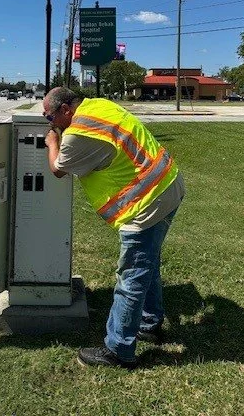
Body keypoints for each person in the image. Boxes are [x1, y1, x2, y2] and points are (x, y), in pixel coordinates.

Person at [43, 87, 185, 369]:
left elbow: (58, 169)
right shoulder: (99, 105)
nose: (50, 123)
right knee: (148, 263)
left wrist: (51, 143)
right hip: (168, 184)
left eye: (50, 117)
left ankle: (118, 349)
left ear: (65, 111)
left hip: (145, 204)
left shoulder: (77, 134)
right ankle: (149, 323)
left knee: (131, 274)